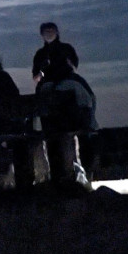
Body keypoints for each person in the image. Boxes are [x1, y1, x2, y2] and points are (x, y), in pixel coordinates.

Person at [36, 62, 98, 190]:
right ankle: (85, 179)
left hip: (53, 127)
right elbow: (90, 103)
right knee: (83, 136)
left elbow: (40, 110)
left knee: (54, 137)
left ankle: (58, 178)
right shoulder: (77, 82)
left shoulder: (43, 86)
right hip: (77, 124)